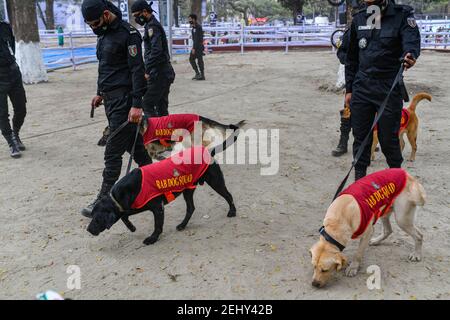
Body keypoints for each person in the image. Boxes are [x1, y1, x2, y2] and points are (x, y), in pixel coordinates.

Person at [81, 0, 152, 218]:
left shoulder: (128, 34)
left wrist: (137, 104)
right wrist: (100, 92)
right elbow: (106, 67)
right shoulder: (102, 34)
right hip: (111, 102)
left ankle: (103, 201)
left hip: (125, 102)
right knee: (136, 149)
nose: (93, 27)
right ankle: (157, 180)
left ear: (105, 14)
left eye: (94, 23)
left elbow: (136, 69)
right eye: (89, 24)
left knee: (112, 151)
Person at [345, 0, 420, 180]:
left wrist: (410, 55)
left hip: (388, 86)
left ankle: (396, 179)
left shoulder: (402, 15)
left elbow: (411, 42)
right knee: (361, 137)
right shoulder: (360, 17)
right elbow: (352, 57)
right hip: (362, 86)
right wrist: (349, 89)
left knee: (388, 139)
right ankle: (360, 180)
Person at [131, 0, 175, 117]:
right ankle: (164, 133)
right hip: (163, 72)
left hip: (159, 73)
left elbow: (156, 51)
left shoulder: (152, 26)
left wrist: (147, 70)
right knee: (161, 107)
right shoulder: (151, 25)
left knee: (147, 104)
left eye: (137, 16)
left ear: (144, 12)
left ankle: (155, 132)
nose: (136, 19)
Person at [0, 19, 27, 158]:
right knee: (2, 114)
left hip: (13, 72)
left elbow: (12, 45)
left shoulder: (4, 26)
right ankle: (11, 142)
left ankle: (16, 133)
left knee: (21, 108)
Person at [332, 28, 352, 157]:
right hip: (356, 78)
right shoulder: (357, 24)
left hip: (380, 78)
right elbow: (342, 52)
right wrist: (352, 60)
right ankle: (343, 142)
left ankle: (373, 142)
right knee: (347, 111)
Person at [188, 14, 205, 80]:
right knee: (192, 59)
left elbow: (198, 39)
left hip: (198, 47)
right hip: (196, 46)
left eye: (190, 19)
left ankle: (201, 75)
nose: (189, 21)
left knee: (199, 60)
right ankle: (198, 73)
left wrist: (194, 48)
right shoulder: (193, 29)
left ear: (194, 19)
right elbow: (194, 39)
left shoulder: (198, 27)